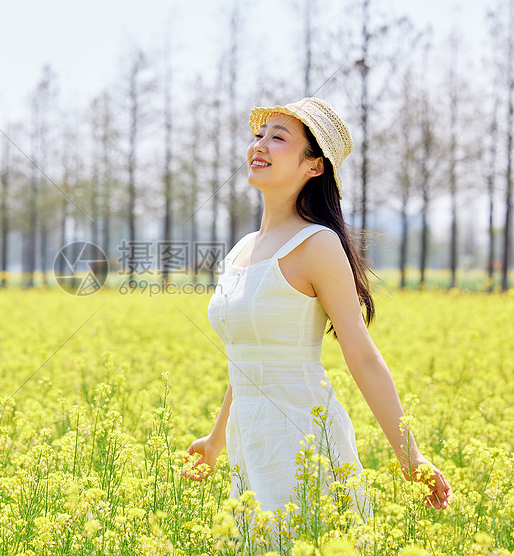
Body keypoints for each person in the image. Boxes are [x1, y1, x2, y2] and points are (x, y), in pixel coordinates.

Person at [182, 97, 452, 518]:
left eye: (278, 137)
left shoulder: (317, 244)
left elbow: (361, 354)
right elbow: (250, 360)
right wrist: (216, 440)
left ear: (314, 166)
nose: (260, 145)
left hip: (304, 440)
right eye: (259, 135)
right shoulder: (240, 250)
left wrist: (410, 456)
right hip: (248, 443)